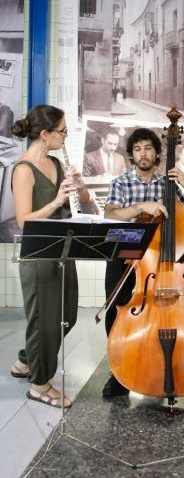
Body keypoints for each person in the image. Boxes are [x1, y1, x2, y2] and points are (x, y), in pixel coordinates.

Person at [101, 127, 184, 397]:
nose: (142, 154)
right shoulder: (121, 182)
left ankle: (158, 366)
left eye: (147, 148)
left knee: (160, 315)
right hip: (125, 260)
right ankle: (118, 373)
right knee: (117, 313)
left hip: (156, 262)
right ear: (131, 155)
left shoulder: (166, 184)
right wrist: (140, 208)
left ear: (157, 153)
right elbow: (110, 215)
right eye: (137, 149)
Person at [10, 105, 91, 407]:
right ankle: (40, 385)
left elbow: (80, 206)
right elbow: (24, 221)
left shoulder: (56, 164)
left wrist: (80, 188)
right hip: (38, 255)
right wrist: (56, 198)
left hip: (63, 251)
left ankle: (26, 360)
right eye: (62, 132)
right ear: (44, 135)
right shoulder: (22, 170)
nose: (65, 137)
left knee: (66, 317)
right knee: (44, 321)